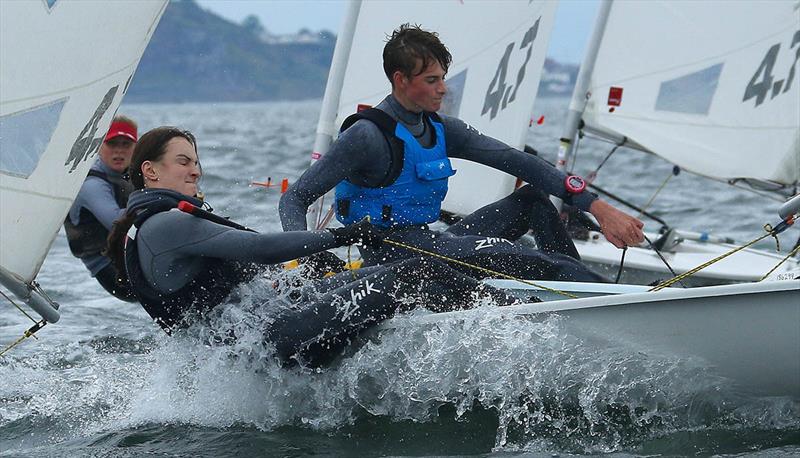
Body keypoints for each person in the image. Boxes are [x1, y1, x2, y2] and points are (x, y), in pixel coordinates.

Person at [105, 126, 521, 367]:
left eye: (196, 161)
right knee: (416, 274)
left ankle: (499, 311)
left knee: (392, 273)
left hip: (263, 329)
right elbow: (263, 249)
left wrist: (311, 267)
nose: (195, 171)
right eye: (183, 162)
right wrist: (342, 236)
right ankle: (521, 323)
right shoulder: (164, 225)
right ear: (150, 172)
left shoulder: (154, 221)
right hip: (263, 343)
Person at [279, 24, 644, 282]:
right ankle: (583, 291)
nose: (442, 89)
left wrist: (596, 206)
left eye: (443, 78)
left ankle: (576, 297)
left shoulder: (440, 129)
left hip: (431, 241)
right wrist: (301, 261)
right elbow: (294, 198)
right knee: (539, 262)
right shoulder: (367, 136)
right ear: (400, 79)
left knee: (532, 200)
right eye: (431, 80)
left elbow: (522, 163)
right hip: (396, 261)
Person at [65, 115, 138, 301]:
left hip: (130, 258)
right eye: (112, 144)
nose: (119, 151)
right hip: (110, 270)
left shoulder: (133, 175)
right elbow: (117, 222)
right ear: (98, 146)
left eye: (126, 144)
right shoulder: (91, 184)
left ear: (136, 148)